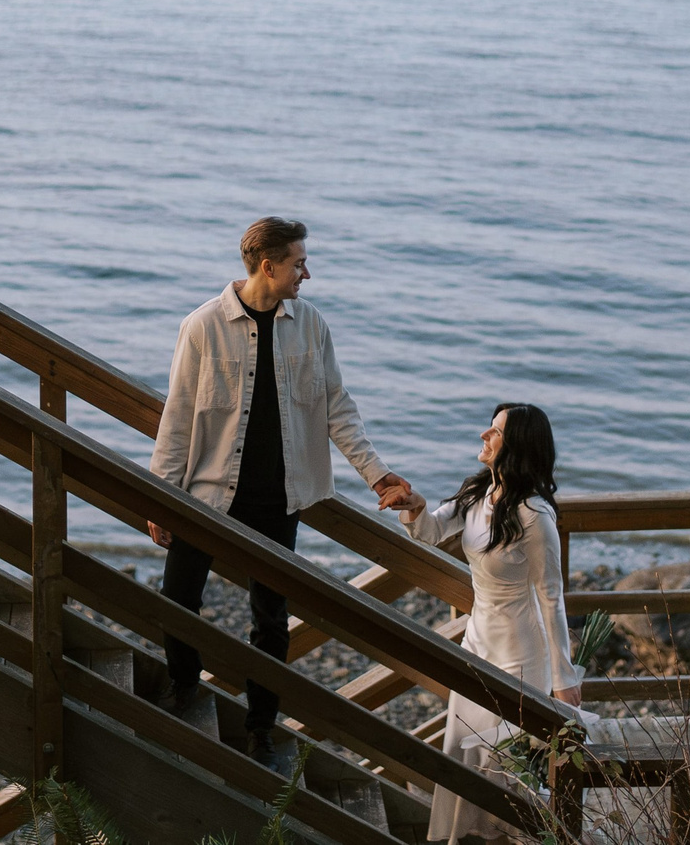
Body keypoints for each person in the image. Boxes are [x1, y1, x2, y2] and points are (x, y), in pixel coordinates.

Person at [148, 216, 414, 769]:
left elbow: (338, 408)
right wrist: (160, 497)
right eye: (298, 263)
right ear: (267, 266)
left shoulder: (311, 326)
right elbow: (176, 420)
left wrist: (378, 475)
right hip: (206, 494)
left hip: (279, 498)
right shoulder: (202, 326)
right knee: (178, 600)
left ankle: (259, 728)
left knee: (271, 621)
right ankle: (183, 688)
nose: (306, 273)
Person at [385, 404, 584, 845]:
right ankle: (467, 837)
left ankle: (510, 837)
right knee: (463, 749)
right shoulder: (478, 494)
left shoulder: (535, 517)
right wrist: (415, 506)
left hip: (519, 652)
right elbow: (433, 530)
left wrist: (563, 677)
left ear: (515, 446)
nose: (483, 436)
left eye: (493, 432)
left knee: (500, 757)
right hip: (477, 641)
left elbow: (551, 598)